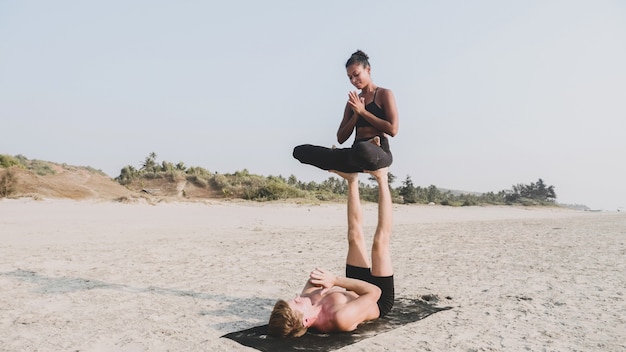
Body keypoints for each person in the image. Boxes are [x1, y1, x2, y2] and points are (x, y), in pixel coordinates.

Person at [268, 167, 394, 337]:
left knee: (354, 236)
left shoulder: (308, 302)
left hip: (353, 285)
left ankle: (352, 179)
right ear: (305, 321)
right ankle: (382, 177)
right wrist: (335, 280)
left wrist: (320, 279)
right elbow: (374, 292)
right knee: (380, 243)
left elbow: (315, 279)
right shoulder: (340, 318)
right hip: (377, 298)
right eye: (296, 303)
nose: (297, 298)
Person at [293, 50, 399, 173]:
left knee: (362, 149)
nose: (354, 80)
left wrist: (363, 112)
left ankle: (355, 161)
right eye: (350, 77)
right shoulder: (352, 102)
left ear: (368, 70)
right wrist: (355, 116)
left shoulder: (384, 94)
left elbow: (393, 130)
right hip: (356, 153)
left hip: (379, 152)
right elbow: (341, 138)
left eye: (356, 74)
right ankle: (350, 165)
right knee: (300, 151)